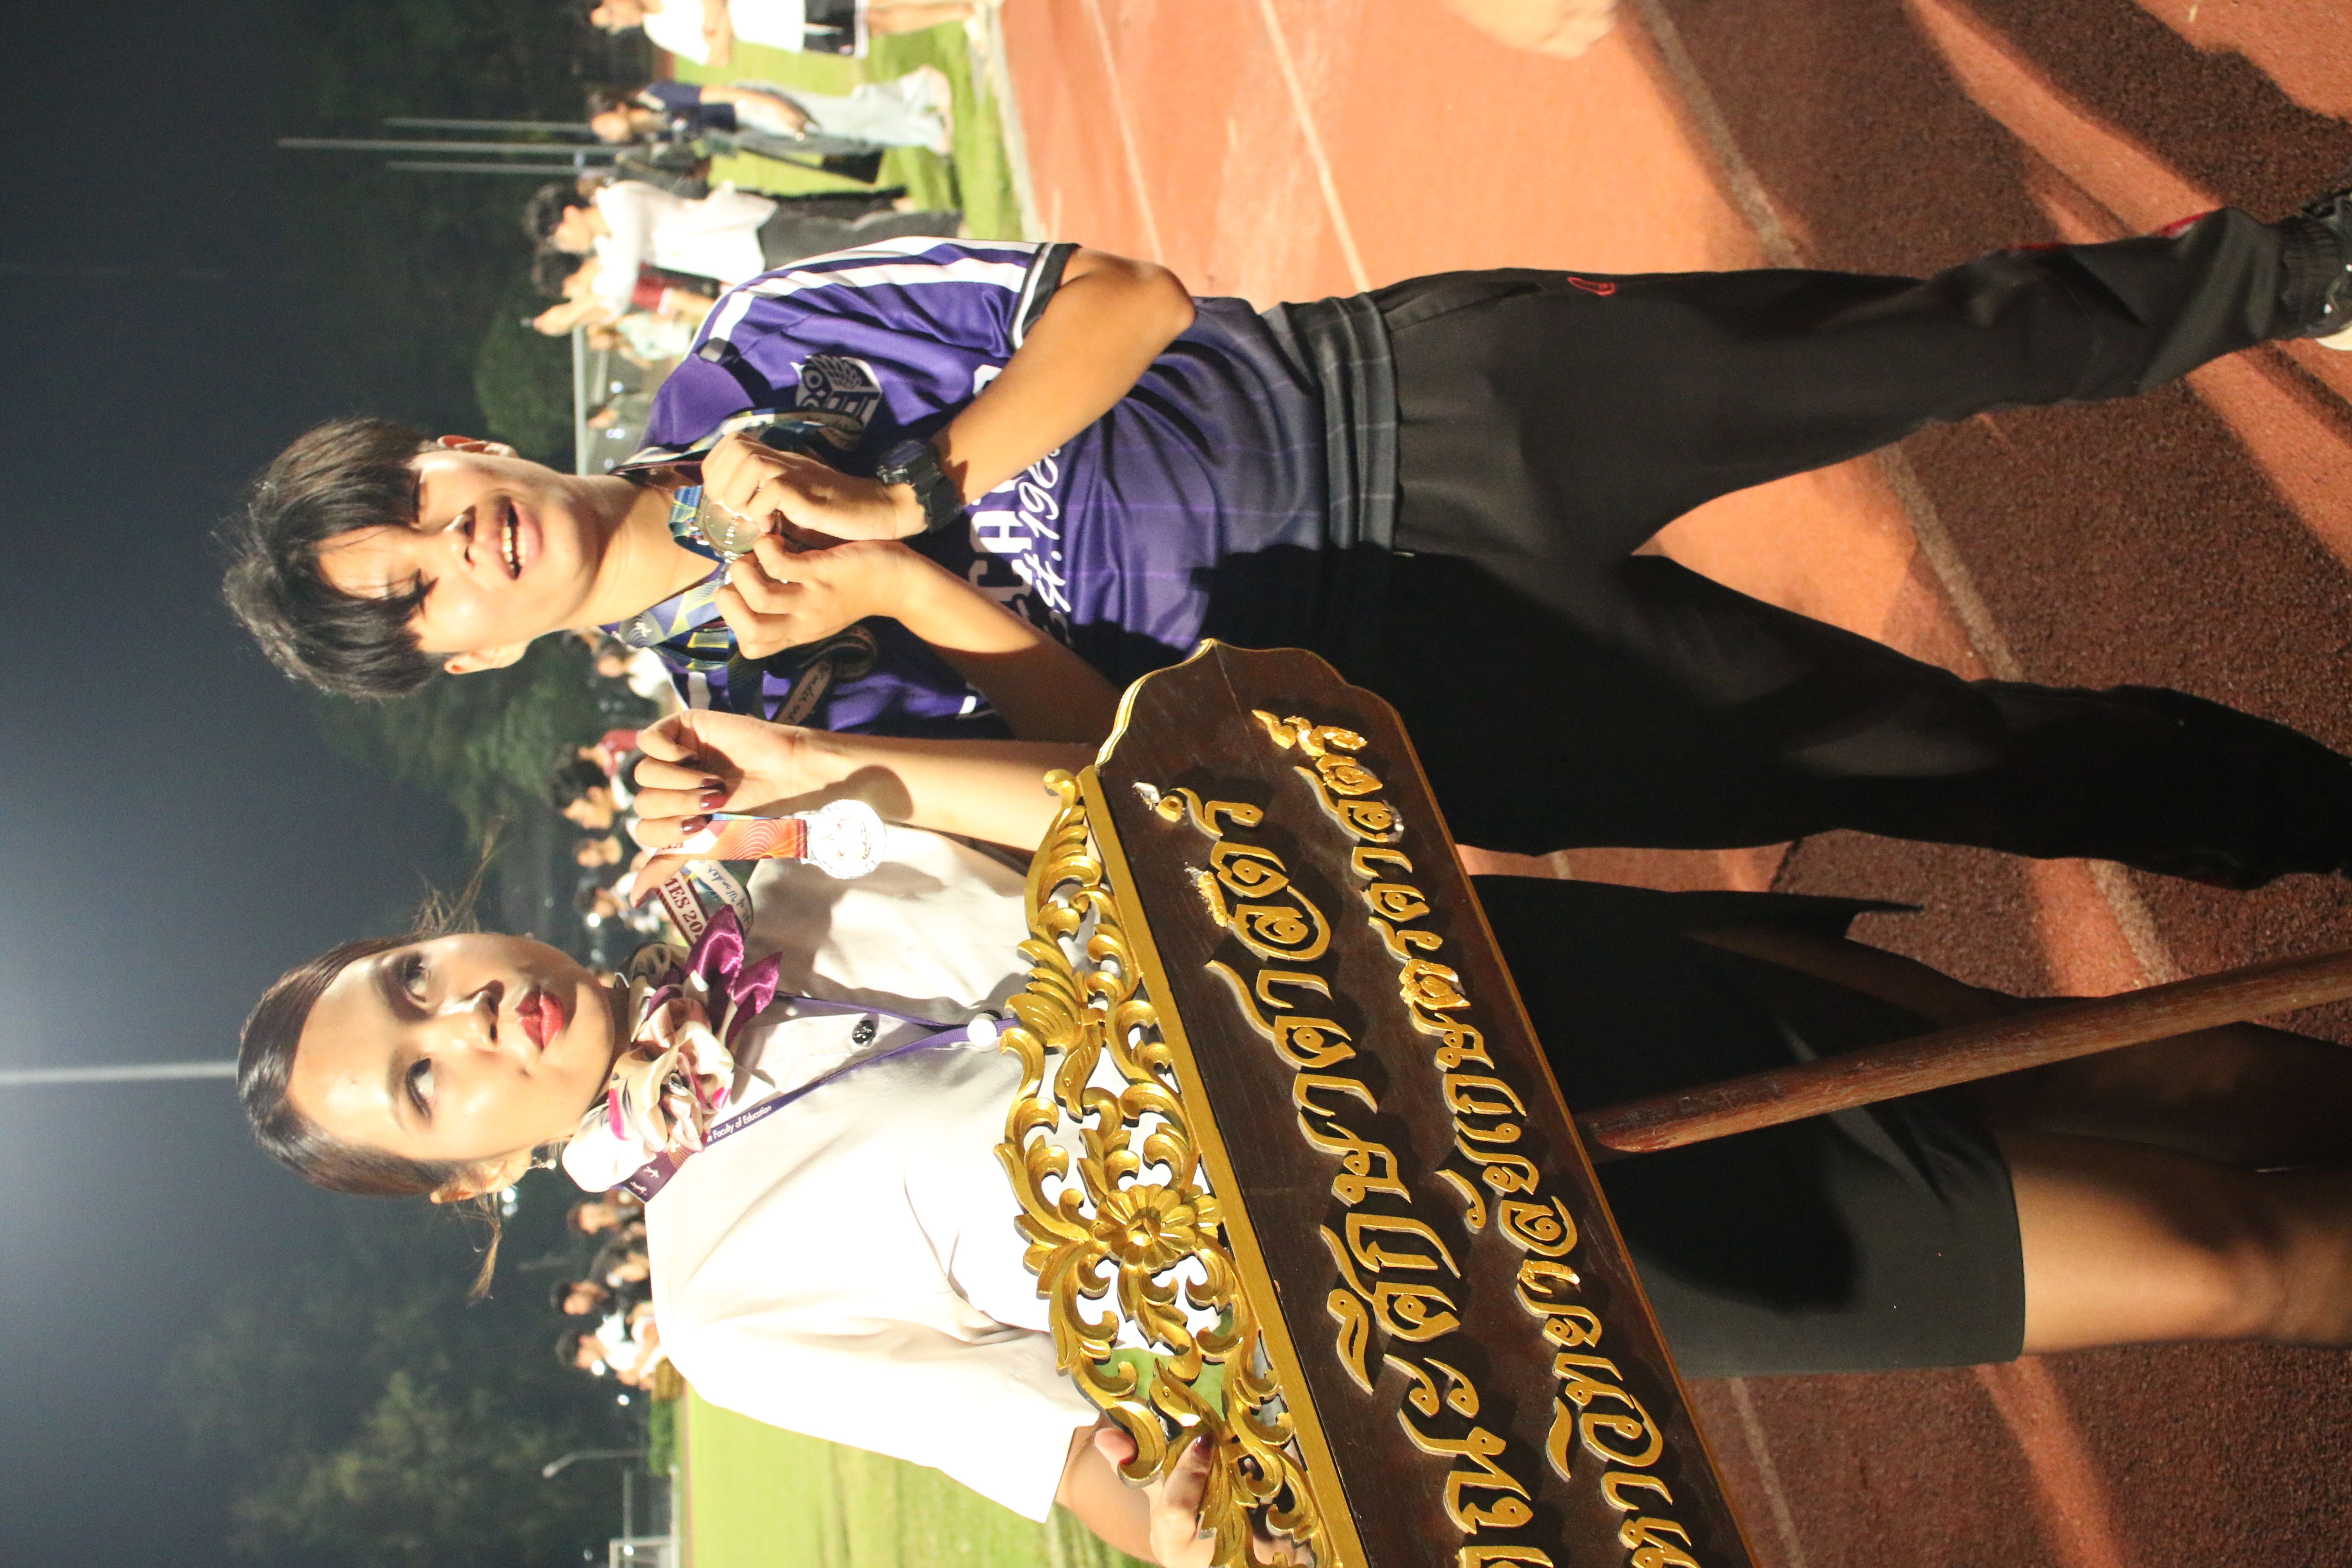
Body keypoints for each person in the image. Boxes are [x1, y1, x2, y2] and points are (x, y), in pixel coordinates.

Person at [238, 713, 2352, 1567]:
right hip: (1502, 1256)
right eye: (421, 1081)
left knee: (2148, 1074)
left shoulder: (773, 874)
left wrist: (834, 769)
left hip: (1505, 994)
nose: (462, 1021)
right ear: (469, 1182)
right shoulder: (720, 1300)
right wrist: (1176, 1519)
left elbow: (1137, 807)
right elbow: (1055, 1449)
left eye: (415, 982)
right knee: (2206, 1262)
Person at [228, 183, 2352, 891]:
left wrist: (916, 482)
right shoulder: (739, 731)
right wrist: (892, 596)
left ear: (453, 445)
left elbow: (1128, 303)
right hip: (1407, 695)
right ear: (472, 665)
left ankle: (2294, 270)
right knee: (1941, 764)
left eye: (409, 502)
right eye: (418, 598)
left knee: (1924, 343)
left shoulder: (759, 349)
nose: (454, 543)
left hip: (1407, 402)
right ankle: (2314, 827)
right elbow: (1099, 758)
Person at [522, 180, 956, 321]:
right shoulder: (608, 240)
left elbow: (619, 285)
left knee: (851, 242)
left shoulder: (619, 203)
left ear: (569, 215)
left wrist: (570, 315)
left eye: (559, 236)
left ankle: (948, 226)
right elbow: (612, 286)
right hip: (744, 256)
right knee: (849, 264)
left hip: (750, 233)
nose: (566, 246)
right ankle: (940, 262)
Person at [590, 72, 955, 162]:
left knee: (843, 116)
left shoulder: (658, 96)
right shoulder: (656, 134)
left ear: (617, 107)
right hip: (749, 130)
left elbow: (717, 94)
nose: (610, 135)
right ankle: (926, 129)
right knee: (845, 135)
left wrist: (774, 105)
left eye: (606, 125)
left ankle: (919, 87)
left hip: (750, 106)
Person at [589, 0, 983, 64]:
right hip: (784, 34)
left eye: (610, 12)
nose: (618, 22)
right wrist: (718, 17)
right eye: (611, 26)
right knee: (874, 27)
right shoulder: (659, 32)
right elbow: (717, 57)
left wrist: (714, 23)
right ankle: (960, 12)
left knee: (872, 3)